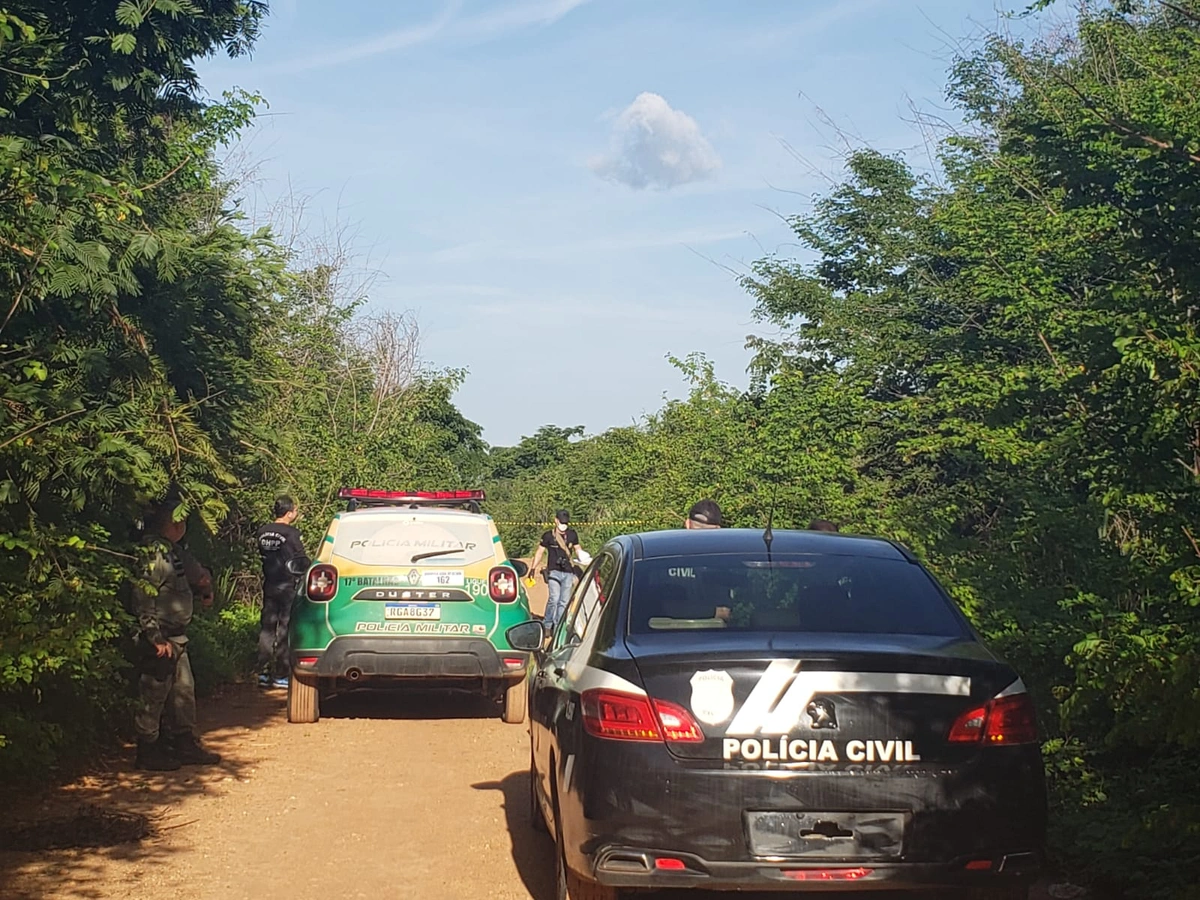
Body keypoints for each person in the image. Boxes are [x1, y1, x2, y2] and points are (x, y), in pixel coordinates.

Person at [132, 501, 222, 771]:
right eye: (177, 521)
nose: (182, 526)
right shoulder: (153, 553)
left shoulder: (174, 551)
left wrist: (202, 590)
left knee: (183, 692)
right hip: (161, 637)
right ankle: (148, 749)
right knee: (154, 693)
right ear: (166, 524)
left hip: (178, 637)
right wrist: (154, 636)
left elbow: (186, 583)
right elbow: (143, 595)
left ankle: (183, 743)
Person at [256, 495, 306, 689]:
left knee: (267, 627)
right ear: (289, 513)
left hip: (269, 584)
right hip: (287, 585)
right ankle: (281, 673)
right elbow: (300, 558)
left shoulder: (262, 532)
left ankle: (262, 672)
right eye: (295, 510)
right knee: (284, 628)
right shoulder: (292, 534)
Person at [530, 510, 586, 634]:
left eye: (565, 523)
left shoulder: (572, 535)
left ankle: (558, 627)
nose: (563, 525)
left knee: (564, 601)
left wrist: (583, 556)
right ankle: (547, 625)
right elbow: (540, 552)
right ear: (556, 520)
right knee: (554, 599)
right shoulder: (548, 536)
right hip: (553, 571)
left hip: (568, 572)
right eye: (561, 522)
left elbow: (577, 548)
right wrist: (533, 568)